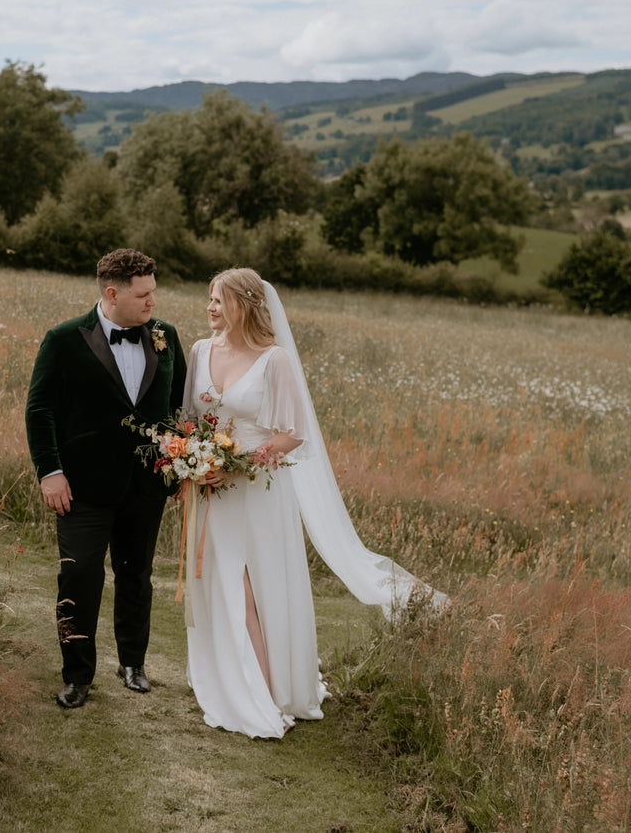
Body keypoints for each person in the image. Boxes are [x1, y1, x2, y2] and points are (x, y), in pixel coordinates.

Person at [180, 267, 447, 739]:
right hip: (211, 490)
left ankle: (267, 691)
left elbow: (292, 435)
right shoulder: (200, 350)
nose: (210, 309)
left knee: (254, 587)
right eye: (209, 299)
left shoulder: (274, 360)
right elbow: (187, 419)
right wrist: (192, 458)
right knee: (222, 582)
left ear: (244, 303)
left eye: (219, 300)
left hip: (258, 489)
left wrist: (236, 460)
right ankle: (233, 678)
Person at [25, 248, 187, 709]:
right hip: (82, 488)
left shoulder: (165, 336)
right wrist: (50, 472)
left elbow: (178, 409)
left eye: (154, 292)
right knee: (79, 579)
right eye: (143, 295)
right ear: (112, 293)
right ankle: (77, 675)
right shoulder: (63, 340)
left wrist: (178, 464)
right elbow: (40, 411)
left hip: (146, 486)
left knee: (136, 577)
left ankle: (132, 663)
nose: (152, 302)